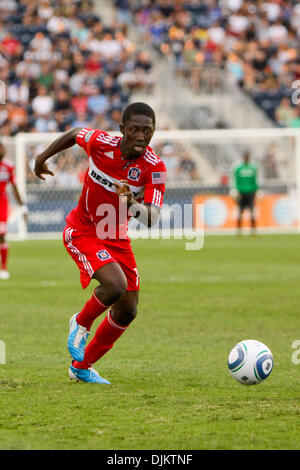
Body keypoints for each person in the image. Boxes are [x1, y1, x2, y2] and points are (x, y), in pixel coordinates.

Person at [34, 102, 167, 384]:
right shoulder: (101, 142)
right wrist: (42, 157)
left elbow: (152, 217)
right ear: (122, 130)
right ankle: (81, 322)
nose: (141, 136)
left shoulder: (155, 168)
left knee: (128, 309)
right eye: (135, 130)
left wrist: (131, 202)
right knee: (115, 286)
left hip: (117, 238)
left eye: (148, 131)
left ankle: (81, 366)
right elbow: (73, 133)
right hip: (82, 231)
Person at [0, 142, 28, 279]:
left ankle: (3, 268)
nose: (2, 150)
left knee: (1, 235)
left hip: (2, 205)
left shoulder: (8, 166)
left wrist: (22, 206)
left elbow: (14, 186)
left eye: (2, 148)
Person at [231, 151, 259, 236]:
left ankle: (253, 230)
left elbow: (255, 180)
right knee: (239, 211)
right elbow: (235, 180)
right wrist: (235, 190)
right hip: (241, 192)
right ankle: (239, 230)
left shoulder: (253, 168)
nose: (246, 158)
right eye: (245, 156)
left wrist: (257, 190)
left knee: (252, 211)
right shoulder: (239, 168)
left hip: (250, 192)